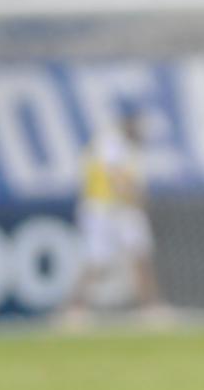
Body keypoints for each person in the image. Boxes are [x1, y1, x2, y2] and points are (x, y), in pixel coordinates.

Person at [63, 109, 166, 325]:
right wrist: (135, 196)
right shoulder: (111, 141)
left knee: (140, 254)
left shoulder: (126, 146)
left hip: (122, 208)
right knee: (97, 260)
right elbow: (116, 176)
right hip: (105, 209)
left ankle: (150, 307)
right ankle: (75, 309)